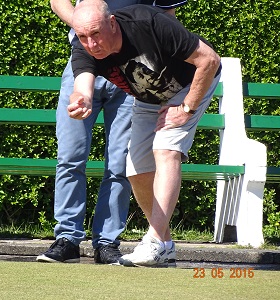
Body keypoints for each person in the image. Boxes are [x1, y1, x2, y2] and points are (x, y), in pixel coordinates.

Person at [68, 0, 221, 267]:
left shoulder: (148, 23)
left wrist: (186, 107)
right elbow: (83, 85)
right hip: (149, 98)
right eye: (83, 36)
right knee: (136, 171)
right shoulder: (84, 48)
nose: (91, 44)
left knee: (166, 149)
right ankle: (165, 245)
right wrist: (81, 99)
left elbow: (208, 59)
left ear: (112, 22)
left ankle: (153, 242)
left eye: (95, 34)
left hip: (191, 85)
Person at [36, 0, 188, 265]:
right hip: (83, 63)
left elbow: (167, 17)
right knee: (70, 156)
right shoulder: (86, 43)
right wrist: (89, 31)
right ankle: (67, 239)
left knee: (120, 162)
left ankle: (107, 242)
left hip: (133, 70)